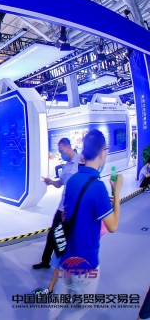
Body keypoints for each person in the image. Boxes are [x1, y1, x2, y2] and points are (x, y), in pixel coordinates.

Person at [51, 129, 123, 320]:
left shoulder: (73, 180)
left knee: (57, 302)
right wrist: (117, 194)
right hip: (86, 261)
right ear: (102, 154)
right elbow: (113, 226)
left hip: (66, 256)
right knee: (83, 306)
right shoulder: (98, 187)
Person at [33, 138, 80, 270]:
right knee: (53, 234)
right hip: (62, 207)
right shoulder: (66, 166)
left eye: (61, 151)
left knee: (71, 237)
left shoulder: (80, 162)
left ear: (68, 146)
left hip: (74, 208)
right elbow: (61, 183)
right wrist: (51, 182)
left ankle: (71, 264)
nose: (61, 154)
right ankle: (45, 262)